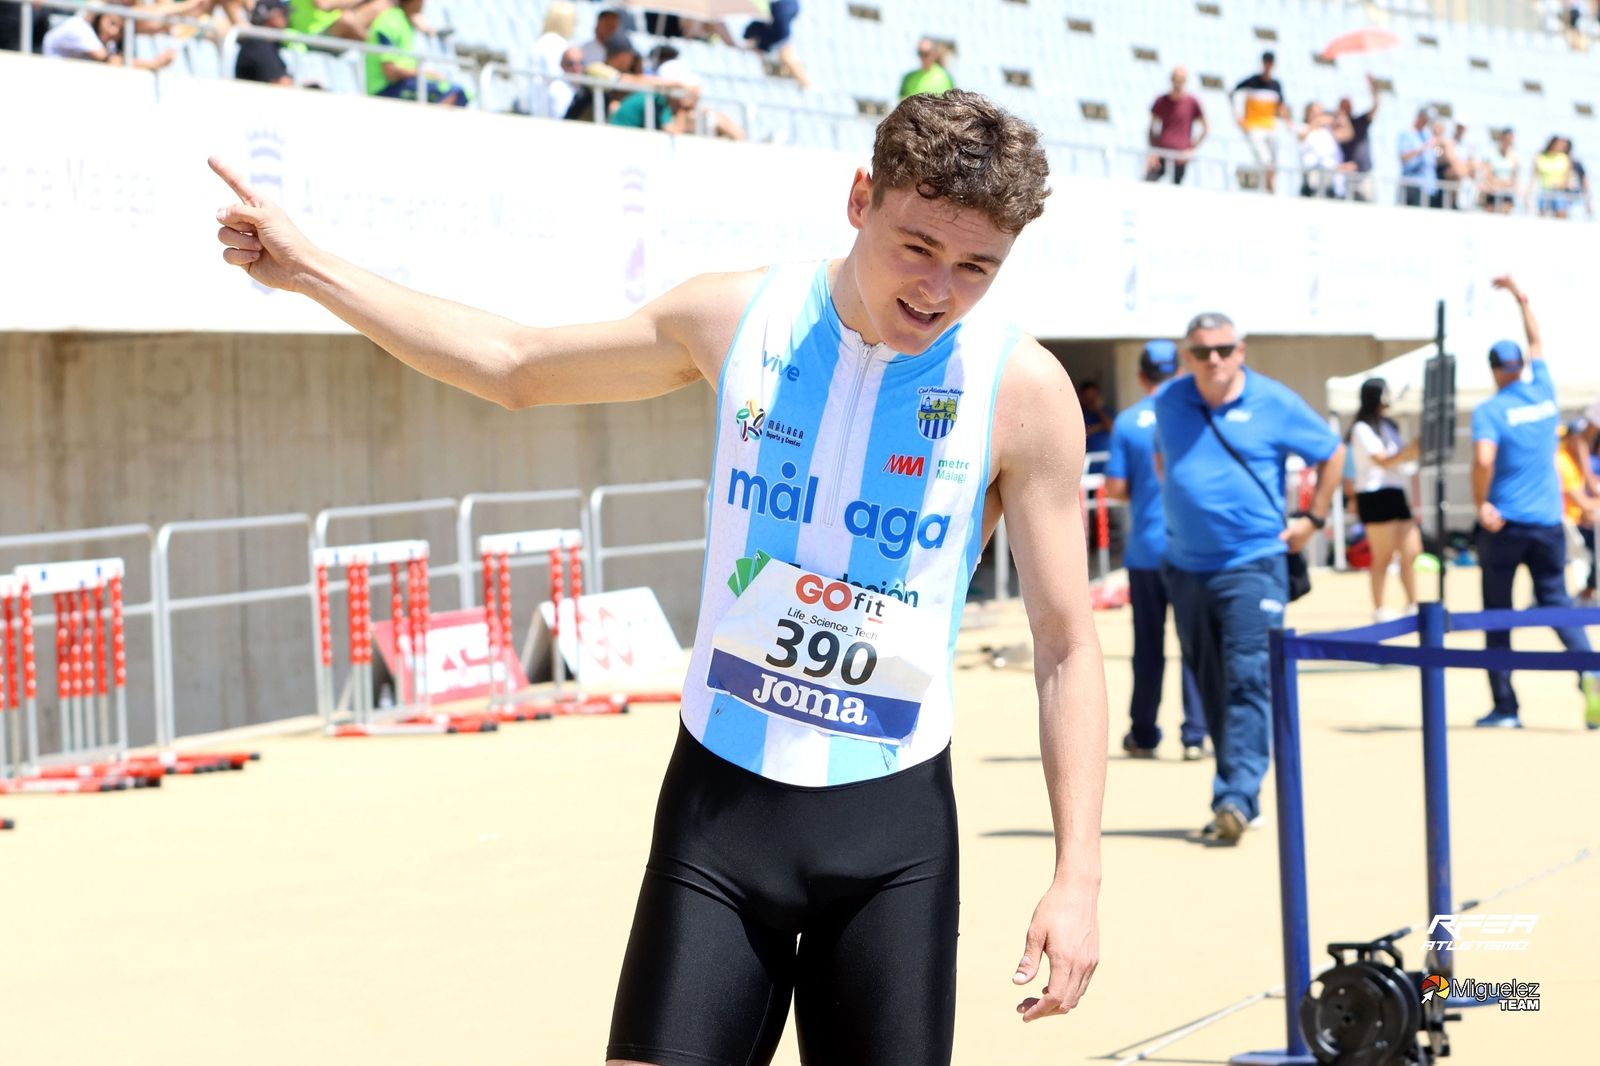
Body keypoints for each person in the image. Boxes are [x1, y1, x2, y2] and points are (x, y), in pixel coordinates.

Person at [210, 87, 1107, 1064]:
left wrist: (1077, 877)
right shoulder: (731, 315)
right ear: (860, 197)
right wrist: (311, 273)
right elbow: (516, 365)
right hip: (721, 817)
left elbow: (1064, 644)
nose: (938, 288)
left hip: (889, 828)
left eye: (977, 266)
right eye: (918, 247)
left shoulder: (1022, 393)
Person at [1155, 313, 1344, 843]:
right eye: (1201, 352)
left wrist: (1314, 519)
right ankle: (1243, 790)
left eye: (1223, 349)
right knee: (1210, 681)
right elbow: (1162, 462)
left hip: (1253, 565)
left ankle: (1234, 795)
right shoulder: (1170, 403)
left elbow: (1332, 453)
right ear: (1186, 356)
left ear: (1241, 351)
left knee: (1247, 677)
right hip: (1186, 566)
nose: (1213, 360)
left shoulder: (1274, 401)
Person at [1469, 275, 1600, 730]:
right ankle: (1591, 670)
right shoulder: (1543, 388)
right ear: (1521, 364)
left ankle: (1506, 708)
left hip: (1505, 524)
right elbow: (1537, 338)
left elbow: (1483, 458)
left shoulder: (1490, 411)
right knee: (1557, 604)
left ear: (1493, 370)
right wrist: (1520, 297)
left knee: (1497, 618)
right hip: (1547, 521)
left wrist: (1481, 501)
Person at [1104, 341, 1207, 760]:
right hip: (1190, 546)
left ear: (1142, 376)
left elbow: (1114, 488)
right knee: (1194, 644)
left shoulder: (1128, 422)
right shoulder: (1193, 415)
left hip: (1146, 549)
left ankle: (1144, 733)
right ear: (1179, 372)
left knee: (1148, 646)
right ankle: (1196, 734)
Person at [1346, 378, 1421, 620]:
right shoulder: (1361, 428)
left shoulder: (1389, 425)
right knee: (1384, 555)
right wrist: (1408, 451)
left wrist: (1411, 452)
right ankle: (1379, 608)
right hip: (1373, 495)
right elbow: (1383, 459)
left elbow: (1397, 459)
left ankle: (1413, 603)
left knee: (1411, 550)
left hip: (1395, 491)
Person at [366, 0, 467, 106]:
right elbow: (390, 71)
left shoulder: (403, 19)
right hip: (386, 89)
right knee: (455, 92)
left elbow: (421, 23)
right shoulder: (389, 22)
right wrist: (425, 73)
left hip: (402, 84)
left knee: (461, 93)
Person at [41, 8, 175, 69]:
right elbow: (109, 60)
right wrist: (154, 64)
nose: (114, 31)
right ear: (101, 17)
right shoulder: (78, 28)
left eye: (120, 29)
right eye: (111, 23)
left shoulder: (107, 43)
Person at [1231, 51, 1288, 193]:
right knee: (1265, 159)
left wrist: (1288, 122)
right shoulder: (1252, 81)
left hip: (1270, 127)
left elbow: (1281, 107)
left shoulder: (1276, 85)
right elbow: (1233, 93)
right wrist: (1238, 116)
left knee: (1274, 161)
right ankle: (1268, 188)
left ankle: (1269, 187)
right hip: (1254, 126)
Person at [1557, 420, 1600, 604]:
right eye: (1581, 437)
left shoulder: (1576, 460)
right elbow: (1583, 503)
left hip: (1580, 522)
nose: (1586, 441)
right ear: (1571, 439)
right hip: (1568, 528)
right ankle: (1587, 592)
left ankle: (1588, 590)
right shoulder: (1563, 461)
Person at [1145, 65, 1207, 185]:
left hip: (1180, 157)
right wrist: (1153, 151)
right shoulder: (1161, 101)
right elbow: (1151, 128)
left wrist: (1192, 148)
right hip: (1161, 154)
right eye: (1176, 79)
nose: (1178, 83)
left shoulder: (1192, 102)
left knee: (1176, 191)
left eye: (1181, 80)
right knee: (1147, 184)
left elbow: (1206, 127)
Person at [743, 0, 809, 90]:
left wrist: (762, 46)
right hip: (782, 7)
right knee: (782, 45)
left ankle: (803, 81)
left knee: (782, 42)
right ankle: (802, 79)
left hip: (782, 6)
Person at [1333, 74, 1379, 202]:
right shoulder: (1337, 127)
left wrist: (1374, 89)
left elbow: (1375, 106)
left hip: (1364, 172)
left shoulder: (1360, 121)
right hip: (1347, 174)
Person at [1297, 101, 1352, 198]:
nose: (1319, 115)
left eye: (1321, 112)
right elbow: (1301, 136)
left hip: (1329, 177)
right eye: (1316, 112)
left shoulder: (1328, 131)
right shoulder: (1304, 128)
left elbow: (1348, 134)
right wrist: (1320, 121)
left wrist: (1343, 117)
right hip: (1311, 176)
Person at [236, 0, 292, 85]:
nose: (286, 19)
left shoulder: (261, 43)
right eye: (283, 14)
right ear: (271, 17)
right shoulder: (258, 44)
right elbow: (281, 82)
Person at [287, 0, 392, 44]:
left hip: (336, 33)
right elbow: (324, 4)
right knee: (347, 20)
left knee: (382, 4)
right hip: (310, 38)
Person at [1397, 108, 1438, 207]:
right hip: (1413, 186)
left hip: (1429, 188)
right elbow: (1403, 157)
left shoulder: (1427, 135)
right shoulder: (1406, 133)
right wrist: (1423, 148)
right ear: (1419, 117)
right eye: (1425, 119)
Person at [1531, 136, 1572, 218]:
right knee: (1542, 213)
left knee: (1560, 211)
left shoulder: (1564, 159)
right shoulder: (1541, 157)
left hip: (1559, 191)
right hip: (1544, 190)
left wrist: (1560, 185)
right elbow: (1534, 177)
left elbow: (1569, 179)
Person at [1480, 127, 1519, 213]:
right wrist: (1498, 183)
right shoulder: (1490, 154)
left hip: (1506, 193)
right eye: (1506, 139)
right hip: (1491, 192)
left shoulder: (1514, 157)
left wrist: (1504, 184)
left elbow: (1514, 178)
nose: (1508, 142)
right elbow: (1487, 175)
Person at [1080, 380, 1114, 473]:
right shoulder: (1079, 415)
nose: (1091, 400)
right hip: (1088, 464)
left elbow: (1111, 428)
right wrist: (1099, 426)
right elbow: (1080, 435)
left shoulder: (1108, 412)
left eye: (1094, 396)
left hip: (1108, 463)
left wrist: (1099, 410)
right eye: (1088, 397)